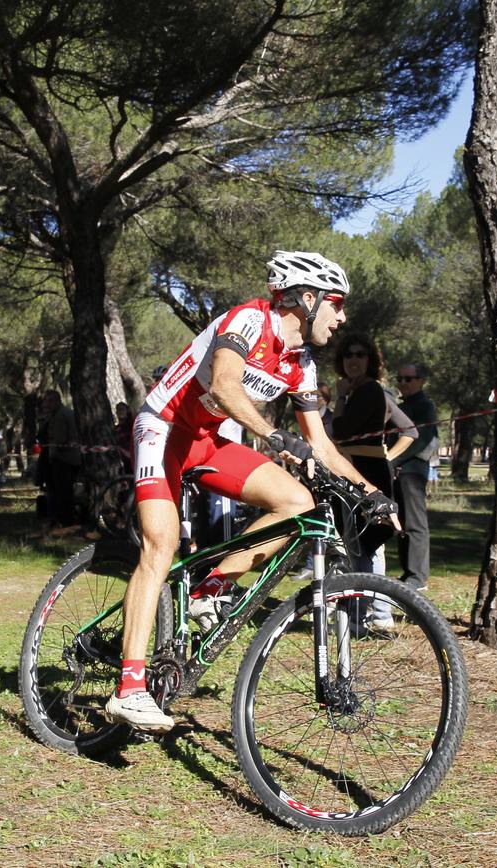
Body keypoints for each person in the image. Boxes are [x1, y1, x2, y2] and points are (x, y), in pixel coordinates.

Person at [106, 250, 399, 732]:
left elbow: (320, 444)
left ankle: (210, 587)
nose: (342, 317)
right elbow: (224, 385)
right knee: (162, 544)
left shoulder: (301, 362)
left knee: (296, 503)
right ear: (308, 299)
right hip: (162, 428)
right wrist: (271, 434)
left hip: (208, 441)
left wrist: (372, 493)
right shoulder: (249, 320)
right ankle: (130, 689)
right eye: (338, 303)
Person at [331, 334, 412, 630]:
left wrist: (339, 398)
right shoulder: (367, 392)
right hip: (366, 469)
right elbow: (410, 431)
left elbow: (339, 431)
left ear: (371, 361)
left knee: (360, 546)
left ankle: (358, 617)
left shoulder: (368, 392)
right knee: (369, 547)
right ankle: (379, 615)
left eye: (360, 355)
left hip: (362, 474)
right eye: (348, 354)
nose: (353, 359)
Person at [392, 363, 438, 591]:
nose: (403, 383)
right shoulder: (403, 405)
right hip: (397, 472)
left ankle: (418, 576)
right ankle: (408, 572)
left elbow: (422, 439)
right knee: (400, 523)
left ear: (420, 381)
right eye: (399, 378)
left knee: (415, 523)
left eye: (408, 379)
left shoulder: (424, 406)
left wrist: (393, 459)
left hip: (411, 472)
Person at [40, 391, 82, 530]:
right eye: (46, 401)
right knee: (63, 491)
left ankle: (65, 521)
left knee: (62, 492)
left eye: (50, 401)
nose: (47, 404)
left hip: (64, 459)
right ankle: (63, 519)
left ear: (56, 401)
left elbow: (60, 440)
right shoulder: (62, 413)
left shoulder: (60, 415)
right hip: (67, 458)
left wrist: (53, 451)